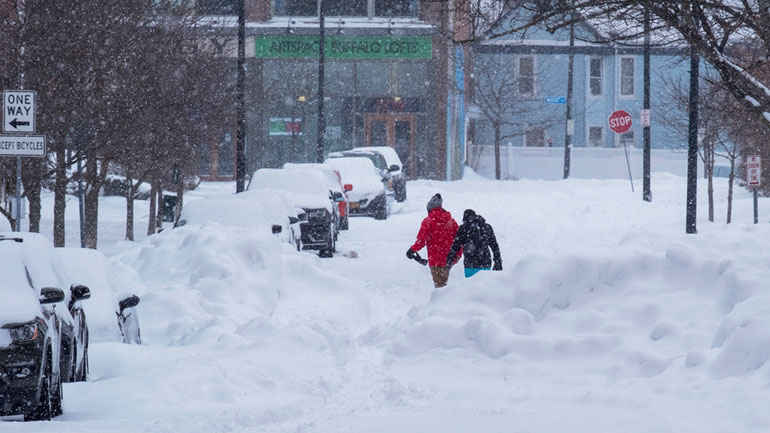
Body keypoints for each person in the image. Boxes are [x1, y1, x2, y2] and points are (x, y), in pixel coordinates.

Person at [406, 193, 461, 288]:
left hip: (436, 259)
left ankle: (442, 302)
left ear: (429, 209)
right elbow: (460, 239)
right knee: (443, 282)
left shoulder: (428, 221)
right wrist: (456, 256)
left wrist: (412, 250)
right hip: (450, 258)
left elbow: (422, 240)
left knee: (440, 286)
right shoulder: (451, 221)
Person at [446, 209, 502, 278]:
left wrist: (449, 259)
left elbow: (456, 246)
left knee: (471, 287)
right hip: (485, 262)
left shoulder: (463, 228)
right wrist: (498, 261)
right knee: (486, 286)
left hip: (470, 264)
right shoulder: (486, 227)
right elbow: (494, 246)